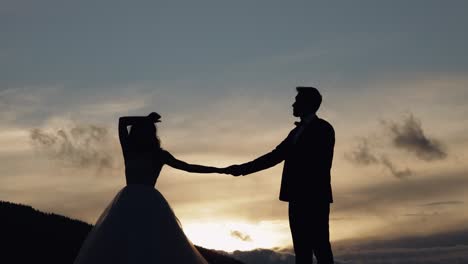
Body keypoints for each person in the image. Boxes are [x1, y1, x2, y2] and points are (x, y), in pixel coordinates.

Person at [74, 112, 223, 264]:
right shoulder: (130, 150)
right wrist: (146, 119)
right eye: (145, 130)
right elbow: (122, 121)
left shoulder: (156, 154)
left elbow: (188, 167)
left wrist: (220, 170)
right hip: (131, 203)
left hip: (145, 204)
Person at [224, 87, 335, 264]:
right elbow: (275, 156)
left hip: (314, 199)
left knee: (321, 248)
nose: (293, 104)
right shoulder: (295, 133)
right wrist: (242, 169)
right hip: (297, 198)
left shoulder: (324, 129)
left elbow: (318, 164)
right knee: (302, 251)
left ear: (307, 104)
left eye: (297, 100)